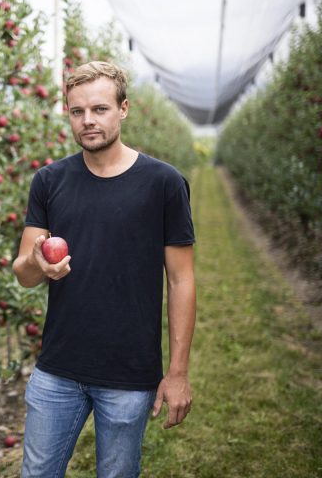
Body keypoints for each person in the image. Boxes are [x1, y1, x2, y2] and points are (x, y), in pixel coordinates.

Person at [12, 61, 196, 478]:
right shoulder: (49, 180)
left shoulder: (163, 183)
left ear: (124, 109)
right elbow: (23, 273)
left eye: (99, 109)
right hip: (57, 369)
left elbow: (182, 280)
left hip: (128, 374)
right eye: (77, 112)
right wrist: (38, 263)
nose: (88, 121)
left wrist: (178, 372)